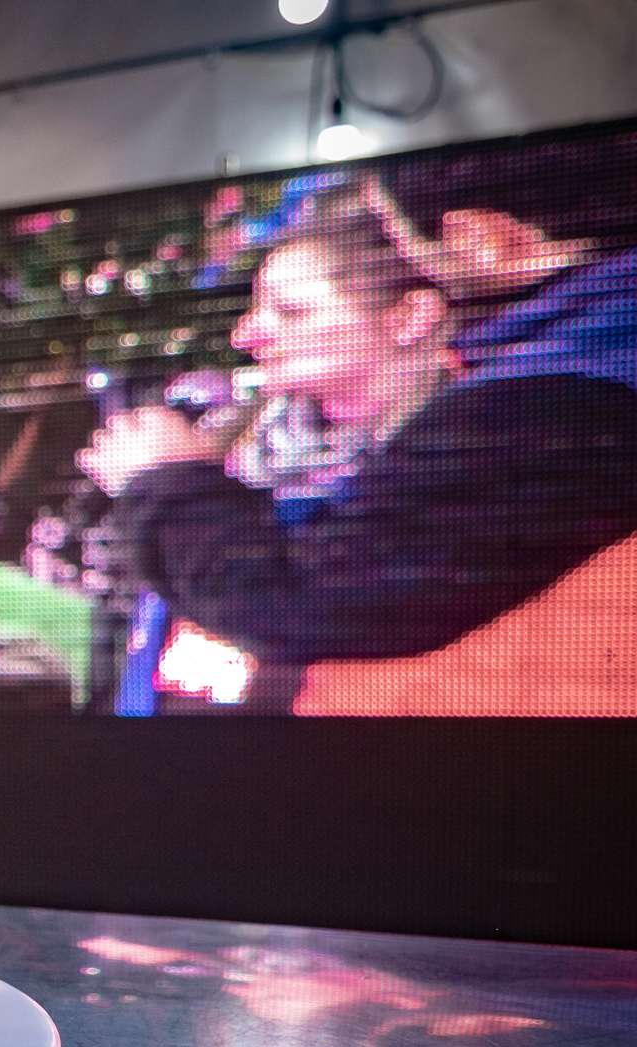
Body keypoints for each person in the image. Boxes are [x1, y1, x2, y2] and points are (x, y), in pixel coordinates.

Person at [77, 185, 637, 711]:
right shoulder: (225, 448)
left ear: (410, 317)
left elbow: (315, 605)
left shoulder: (496, 446)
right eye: (255, 309)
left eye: (292, 311)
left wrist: (166, 480)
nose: (245, 336)